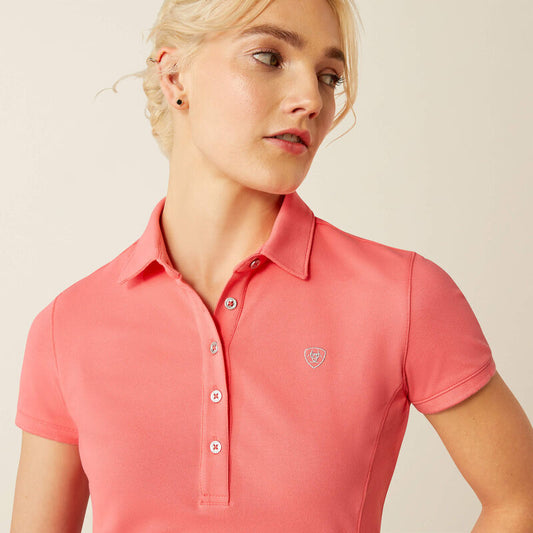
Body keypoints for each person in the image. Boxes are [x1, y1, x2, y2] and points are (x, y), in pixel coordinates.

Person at [11, 0, 533, 531]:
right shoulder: (66, 327)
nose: (312, 100)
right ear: (175, 75)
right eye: (269, 57)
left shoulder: (403, 296)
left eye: (329, 77)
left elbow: (521, 499)